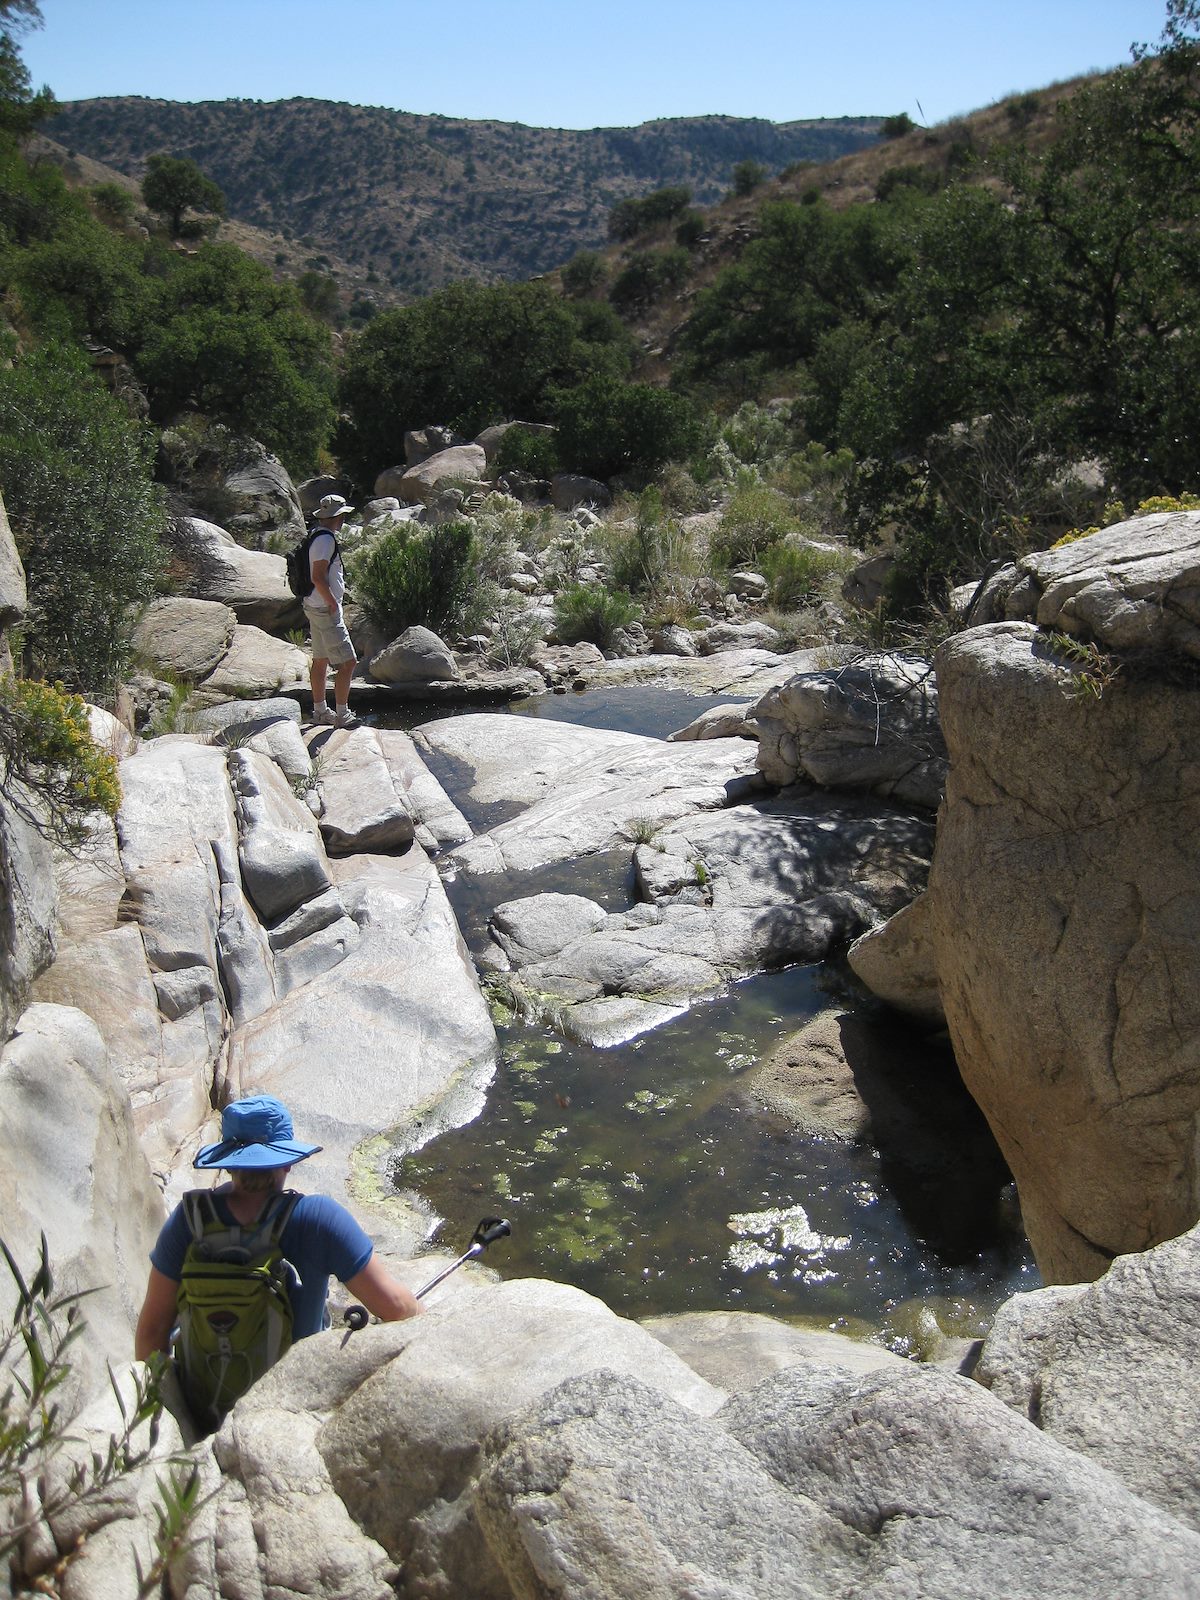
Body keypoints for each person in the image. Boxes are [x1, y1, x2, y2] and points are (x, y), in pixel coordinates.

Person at [135, 1094, 422, 1367]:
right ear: (287, 1163)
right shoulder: (319, 1218)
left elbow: (152, 1330)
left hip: (206, 1404)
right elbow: (396, 1307)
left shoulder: (189, 1218)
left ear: (230, 1163)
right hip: (288, 1398)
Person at [304, 493, 357, 728]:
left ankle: (320, 712)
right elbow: (317, 576)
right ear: (338, 516)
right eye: (343, 514)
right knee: (348, 663)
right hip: (325, 608)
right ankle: (342, 715)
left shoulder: (315, 534)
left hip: (313, 605)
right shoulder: (326, 540)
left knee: (321, 659)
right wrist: (333, 604)